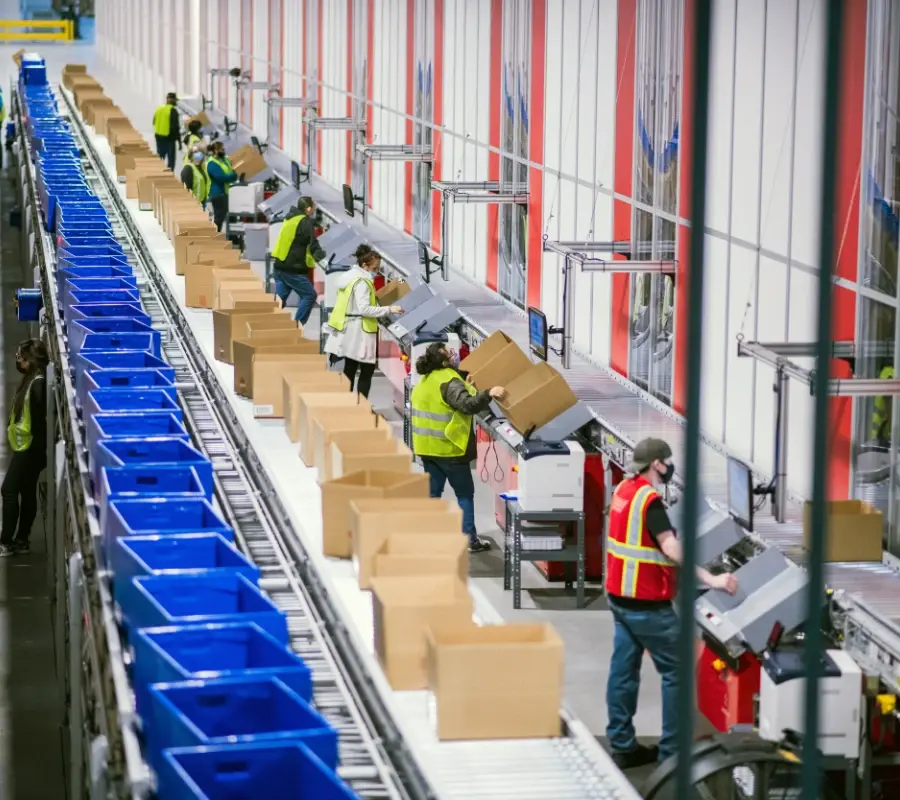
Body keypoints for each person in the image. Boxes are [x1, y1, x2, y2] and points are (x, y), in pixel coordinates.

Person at [605, 437, 738, 769]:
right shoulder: (650, 503)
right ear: (656, 465)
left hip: (619, 596)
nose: (669, 467)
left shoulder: (624, 490)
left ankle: (622, 745)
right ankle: (672, 755)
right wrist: (713, 579)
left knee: (623, 671)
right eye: (666, 462)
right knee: (676, 671)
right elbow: (670, 549)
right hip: (646, 603)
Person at [410, 342, 506, 554]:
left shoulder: (424, 380)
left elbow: (445, 401)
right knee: (464, 494)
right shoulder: (449, 381)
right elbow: (467, 405)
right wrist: (489, 392)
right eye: (449, 352)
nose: (454, 354)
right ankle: (470, 539)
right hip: (450, 449)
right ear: (444, 361)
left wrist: (467, 386)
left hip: (427, 449)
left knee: (433, 494)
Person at [324, 245, 402, 398]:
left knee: (350, 368)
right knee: (367, 369)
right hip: (361, 332)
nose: (376, 271)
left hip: (350, 329)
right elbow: (364, 309)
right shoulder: (362, 282)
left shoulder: (350, 276)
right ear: (364, 265)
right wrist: (389, 309)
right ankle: (362, 407)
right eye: (375, 268)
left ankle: (347, 404)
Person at [0, 340, 49, 557]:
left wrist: (37, 452)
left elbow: (41, 421)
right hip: (30, 447)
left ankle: (6, 542)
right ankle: (21, 540)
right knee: (26, 490)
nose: (18, 360)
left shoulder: (37, 385)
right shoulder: (32, 381)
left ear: (31, 361)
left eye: (21, 357)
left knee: (8, 490)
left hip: (29, 448)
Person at [270, 196, 326, 326]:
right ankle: (297, 326)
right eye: (313, 208)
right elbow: (313, 245)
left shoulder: (290, 218)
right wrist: (324, 260)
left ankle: (269, 326)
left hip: (279, 266)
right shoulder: (305, 221)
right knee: (310, 295)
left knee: (279, 300)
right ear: (308, 209)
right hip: (292, 268)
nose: (314, 210)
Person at [206, 141, 240, 232]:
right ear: (215, 150)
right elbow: (220, 177)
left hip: (226, 192)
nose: (223, 150)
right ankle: (215, 236)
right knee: (219, 218)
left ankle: (233, 238)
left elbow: (231, 168)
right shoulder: (212, 163)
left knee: (231, 215)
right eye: (221, 149)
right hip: (218, 194)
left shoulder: (223, 160)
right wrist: (234, 176)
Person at [152, 92, 180, 171]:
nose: (176, 102)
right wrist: (179, 141)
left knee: (160, 159)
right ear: (173, 100)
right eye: (175, 100)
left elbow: (154, 122)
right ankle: (169, 178)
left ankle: (160, 175)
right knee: (171, 161)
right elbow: (175, 127)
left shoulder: (159, 108)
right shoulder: (173, 111)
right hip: (169, 139)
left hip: (158, 138)